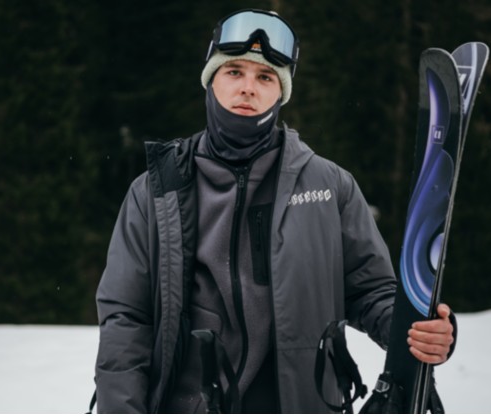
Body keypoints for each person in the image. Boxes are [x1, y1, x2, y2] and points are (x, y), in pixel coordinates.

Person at [94, 9, 455, 413]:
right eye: (234, 72)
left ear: (281, 92)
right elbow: (126, 320)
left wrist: (414, 330)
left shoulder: (330, 186)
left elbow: (372, 290)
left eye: (265, 77)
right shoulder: (154, 193)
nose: (248, 88)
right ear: (210, 80)